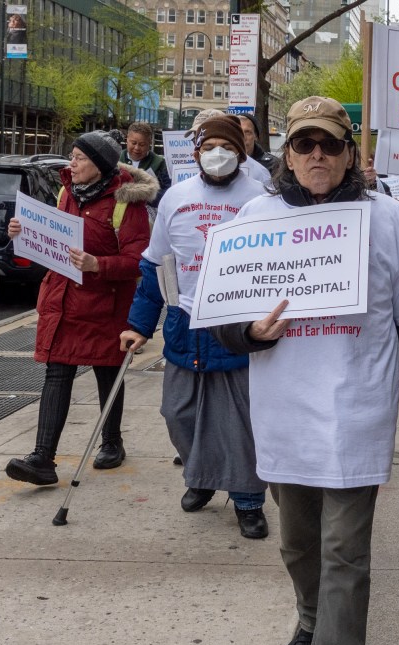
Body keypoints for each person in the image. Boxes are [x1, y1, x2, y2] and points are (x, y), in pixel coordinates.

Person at [212, 96, 399, 645]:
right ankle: (310, 619)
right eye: (303, 143)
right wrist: (249, 332)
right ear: (285, 154)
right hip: (284, 412)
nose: (317, 155)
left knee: (346, 553)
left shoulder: (387, 218)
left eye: (330, 144)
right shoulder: (255, 219)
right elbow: (220, 319)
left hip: (356, 410)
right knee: (298, 543)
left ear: (349, 153)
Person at [120, 115, 270, 539]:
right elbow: (154, 265)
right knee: (177, 412)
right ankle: (201, 476)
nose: (217, 156)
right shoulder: (176, 198)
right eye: (208, 148)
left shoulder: (261, 197)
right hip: (186, 319)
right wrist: (139, 325)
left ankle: (247, 500)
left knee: (237, 421)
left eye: (226, 148)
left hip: (237, 323)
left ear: (240, 154)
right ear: (196, 153)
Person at [4, 131, 157, 485]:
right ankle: (42, 458)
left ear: (100, 165)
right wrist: (21, 232)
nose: (71, 164)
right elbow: (51, 243)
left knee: (107, 372)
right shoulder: (64, 193)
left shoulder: (124, 203)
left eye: (79, 158)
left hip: (105, 304)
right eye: (71, 156)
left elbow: (139, 260)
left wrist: (97, 265)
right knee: (57, 373)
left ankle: (112, 442)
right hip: (64, 299)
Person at [120, 121, 172, 213]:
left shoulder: (160, 163)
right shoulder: (116, 159)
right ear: (127, 139)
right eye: (133, 143)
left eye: (142, 144)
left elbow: (168, 193)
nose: (137, 148)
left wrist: (144, 195)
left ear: (149, 143)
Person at [229, 115, 273, 187]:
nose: (242, 137)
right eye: (238, 132)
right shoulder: (222, 162)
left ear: (255, 136)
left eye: (247, 132)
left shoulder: (272, 165)